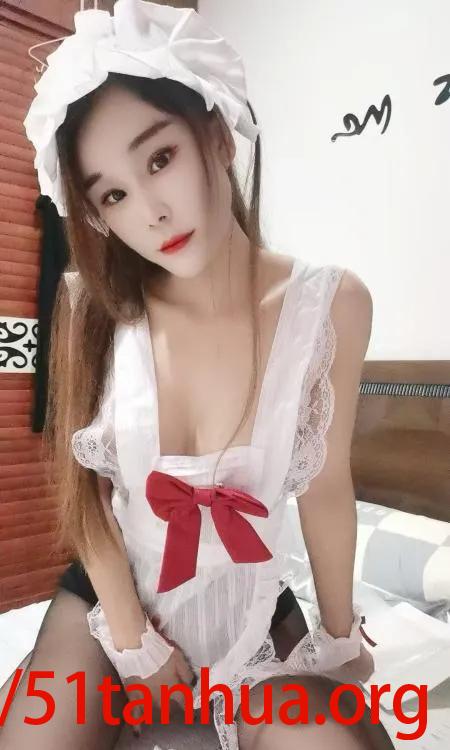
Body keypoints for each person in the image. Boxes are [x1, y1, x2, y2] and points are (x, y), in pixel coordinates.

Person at [1, 2, 395, 748]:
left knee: (329, 739)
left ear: (214, 134)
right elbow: (85, 493)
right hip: (114, 595)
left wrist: (341, 638)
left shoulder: (329, 305)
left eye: (159, 159)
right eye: (113, 194)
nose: (150, 211)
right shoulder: (91, 305)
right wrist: (132, 641)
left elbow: (326, 486)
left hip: (254, 604)